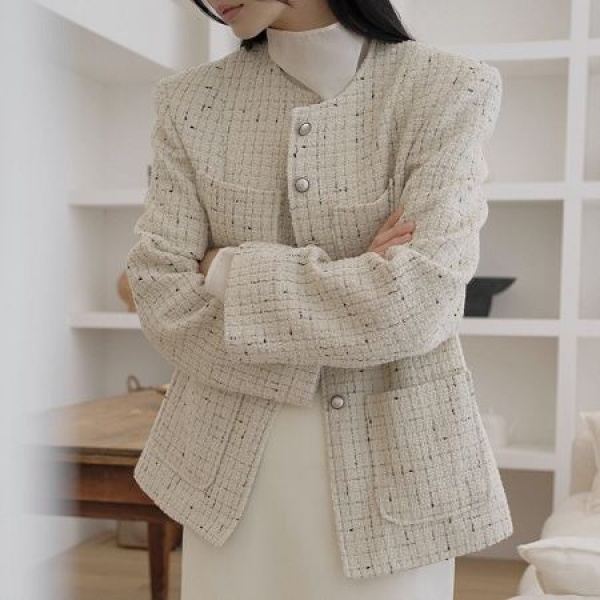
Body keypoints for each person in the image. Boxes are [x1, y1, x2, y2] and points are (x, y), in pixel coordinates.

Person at [125, 1, 513, 599]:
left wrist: (225, 268)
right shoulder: (188, 102)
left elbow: (418, 303)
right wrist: (358, 283)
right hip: (224, 481)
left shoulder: (448, 87)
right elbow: (158, 292)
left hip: (396, 479)